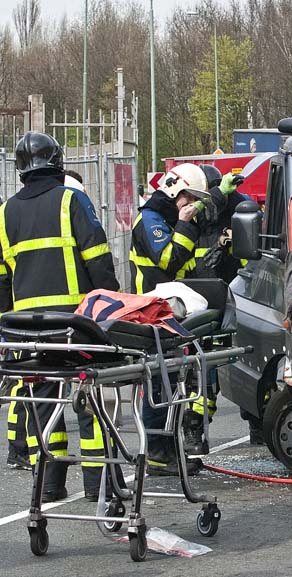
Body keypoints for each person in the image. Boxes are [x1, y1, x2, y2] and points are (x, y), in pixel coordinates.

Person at [0, 131, 119, 502]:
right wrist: (110, 307)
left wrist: (7, 327)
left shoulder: (5, 212)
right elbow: (98, 256)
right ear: (58, 162)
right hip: (75, 321)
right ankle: (97, 485)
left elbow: (2, 279)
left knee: (43, 402)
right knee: (91, 399)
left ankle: (49, 484)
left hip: (26, 327)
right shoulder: (72, 200)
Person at [129, 162, 209, 475]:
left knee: (172, 383)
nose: (192, 205)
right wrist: (186, 226)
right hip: (153, 314)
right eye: (190, 197)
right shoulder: (150, 219)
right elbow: (169, 260)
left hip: (170, 314)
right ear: (176, 190)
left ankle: (167, 449)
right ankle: (158, 454)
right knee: (158, 385)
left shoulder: (165, 217)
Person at [181, 164, 255, 454]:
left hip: (234, 298)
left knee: (246, 361)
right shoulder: (195, 212)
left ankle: (256, 419)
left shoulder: (237, 207)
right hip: (196, 302)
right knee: (203, 370)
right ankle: (194, 427)